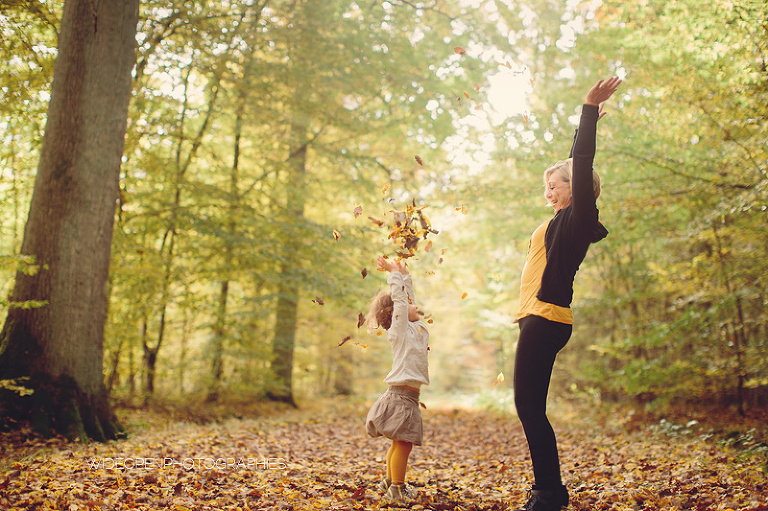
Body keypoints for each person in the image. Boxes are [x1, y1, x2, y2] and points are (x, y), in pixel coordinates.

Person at [513, 77, 621, 511]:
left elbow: (581, 160)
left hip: (547, 317)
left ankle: (549, 495)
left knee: (528, 408)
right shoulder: (560, 220)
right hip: (538, 317)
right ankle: (549, 492)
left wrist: (589, 111)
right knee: (529, 408)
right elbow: (574, 161)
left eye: (555, 184)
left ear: (576, 188)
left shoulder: (578, 220)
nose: (549, 190)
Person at [365, 255, 430, 506]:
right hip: (400, 397)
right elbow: (402, 302)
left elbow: (407, 298)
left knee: (399, 444)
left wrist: (405, 275)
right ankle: (397, 489)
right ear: (394, 313)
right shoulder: (400, 330)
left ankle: (390, 482)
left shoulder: (416, 328)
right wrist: (393, 274)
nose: (416, 306)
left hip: (408, 396)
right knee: (403, 445)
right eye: (405, 305)